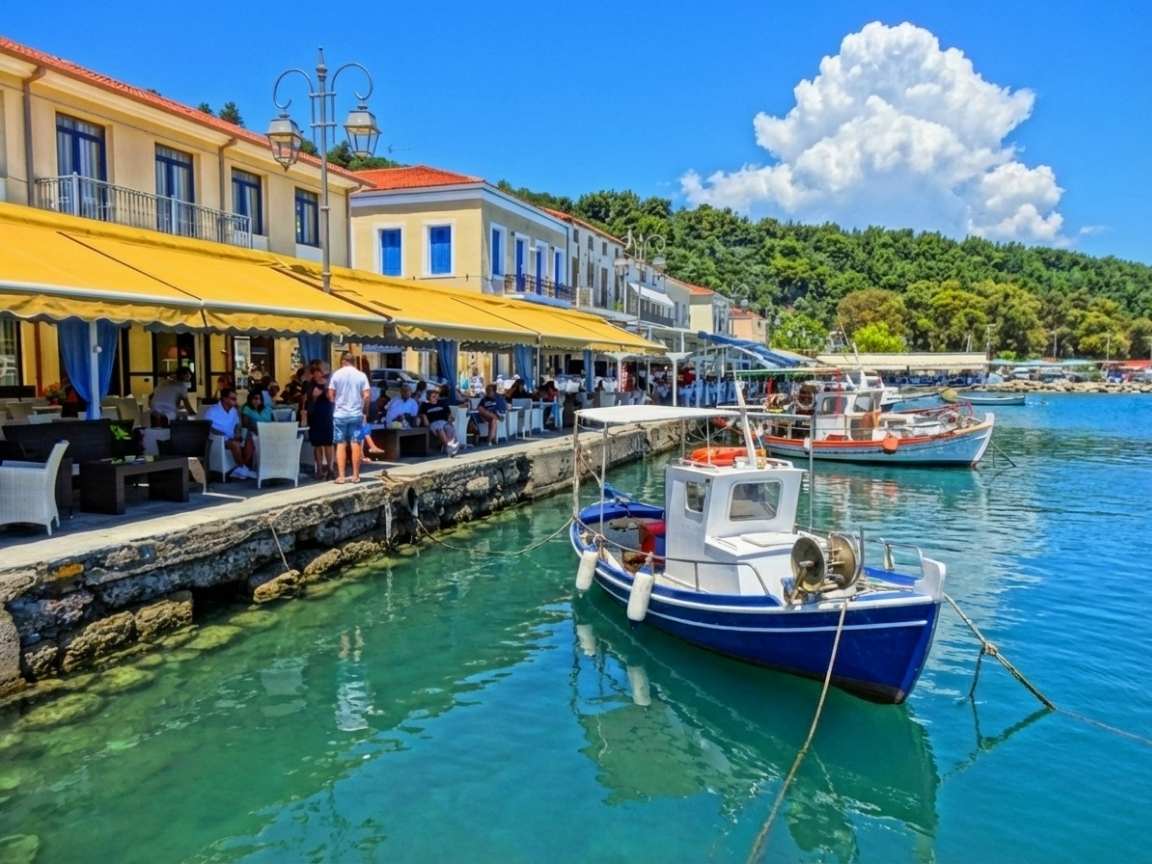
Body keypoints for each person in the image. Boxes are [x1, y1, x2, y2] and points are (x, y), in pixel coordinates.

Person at [328, 351, 370, 484]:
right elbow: (367, 396)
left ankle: (341, 476)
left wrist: (337, 403)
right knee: (355, 443)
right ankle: (356, 475)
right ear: (354, 362)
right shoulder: (361, 375)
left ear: (342, 361)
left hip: (340, 414)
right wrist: (364, 410)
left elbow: (330, 395)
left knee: (340, 444)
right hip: (356, 414)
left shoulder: (337, 374)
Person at [203, 388, 255, 479]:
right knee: (235, 444)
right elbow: (207, 428)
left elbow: (237, 425)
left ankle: (240, 467)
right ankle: (242, 468)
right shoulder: (212, 411)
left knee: (250, 439)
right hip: (218, 440)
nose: (235, 401)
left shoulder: (233, 411)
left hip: (232, 437)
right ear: (224, 399)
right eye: (233, 399)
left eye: (236, 399)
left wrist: (237, 433)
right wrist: (224, 436)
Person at [304, 368, 334, 480]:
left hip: (327, 416)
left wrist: (326, 393)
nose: (317, 375)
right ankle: (319, 470)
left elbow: (332, 398)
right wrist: (315, 396)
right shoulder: (310, 386)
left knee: (328, 443)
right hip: (315, 416)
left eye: (319, 373)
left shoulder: (328, 384)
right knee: (317, 444)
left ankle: (330, 469)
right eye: (314, 373)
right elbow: (307, 401)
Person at [419, 388, 460, 456]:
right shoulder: (425, 405)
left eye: (436, 396)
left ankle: (449, 447)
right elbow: (423, 416)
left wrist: (450, 419)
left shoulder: (442, 403)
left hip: (443, 422)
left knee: (449, 428)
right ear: (428, 397)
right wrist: (427, 425)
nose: (436, 398)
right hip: (434, 423)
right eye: (433, 396)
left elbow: (449, 414)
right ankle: (450, 447)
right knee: (440, 429)